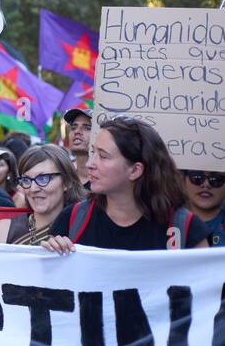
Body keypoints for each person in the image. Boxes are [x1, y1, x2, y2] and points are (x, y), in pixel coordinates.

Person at [44, 118, 209, 252]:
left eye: (103, 156)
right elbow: (47, 287)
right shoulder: (72, 220)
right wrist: (53, 253)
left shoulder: (185, 228)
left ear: (135, 170)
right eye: (93, 152)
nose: (90, 164)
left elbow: (206, 286)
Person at [0, 144, 82, 245]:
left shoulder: (82, 229)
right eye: (26, 180)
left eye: (43, 179)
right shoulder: (3, 231)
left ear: (67, 182)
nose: (33, 188)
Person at [179, 168, 224, 246]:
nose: (206, 185)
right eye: (197, 177)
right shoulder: (167, 222)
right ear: (183, 180)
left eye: (216, 179)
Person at [64, 107, 92, 189]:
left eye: (87, 128)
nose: (77, 131)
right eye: (73, 128)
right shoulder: (63, 180)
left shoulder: (107, 183)